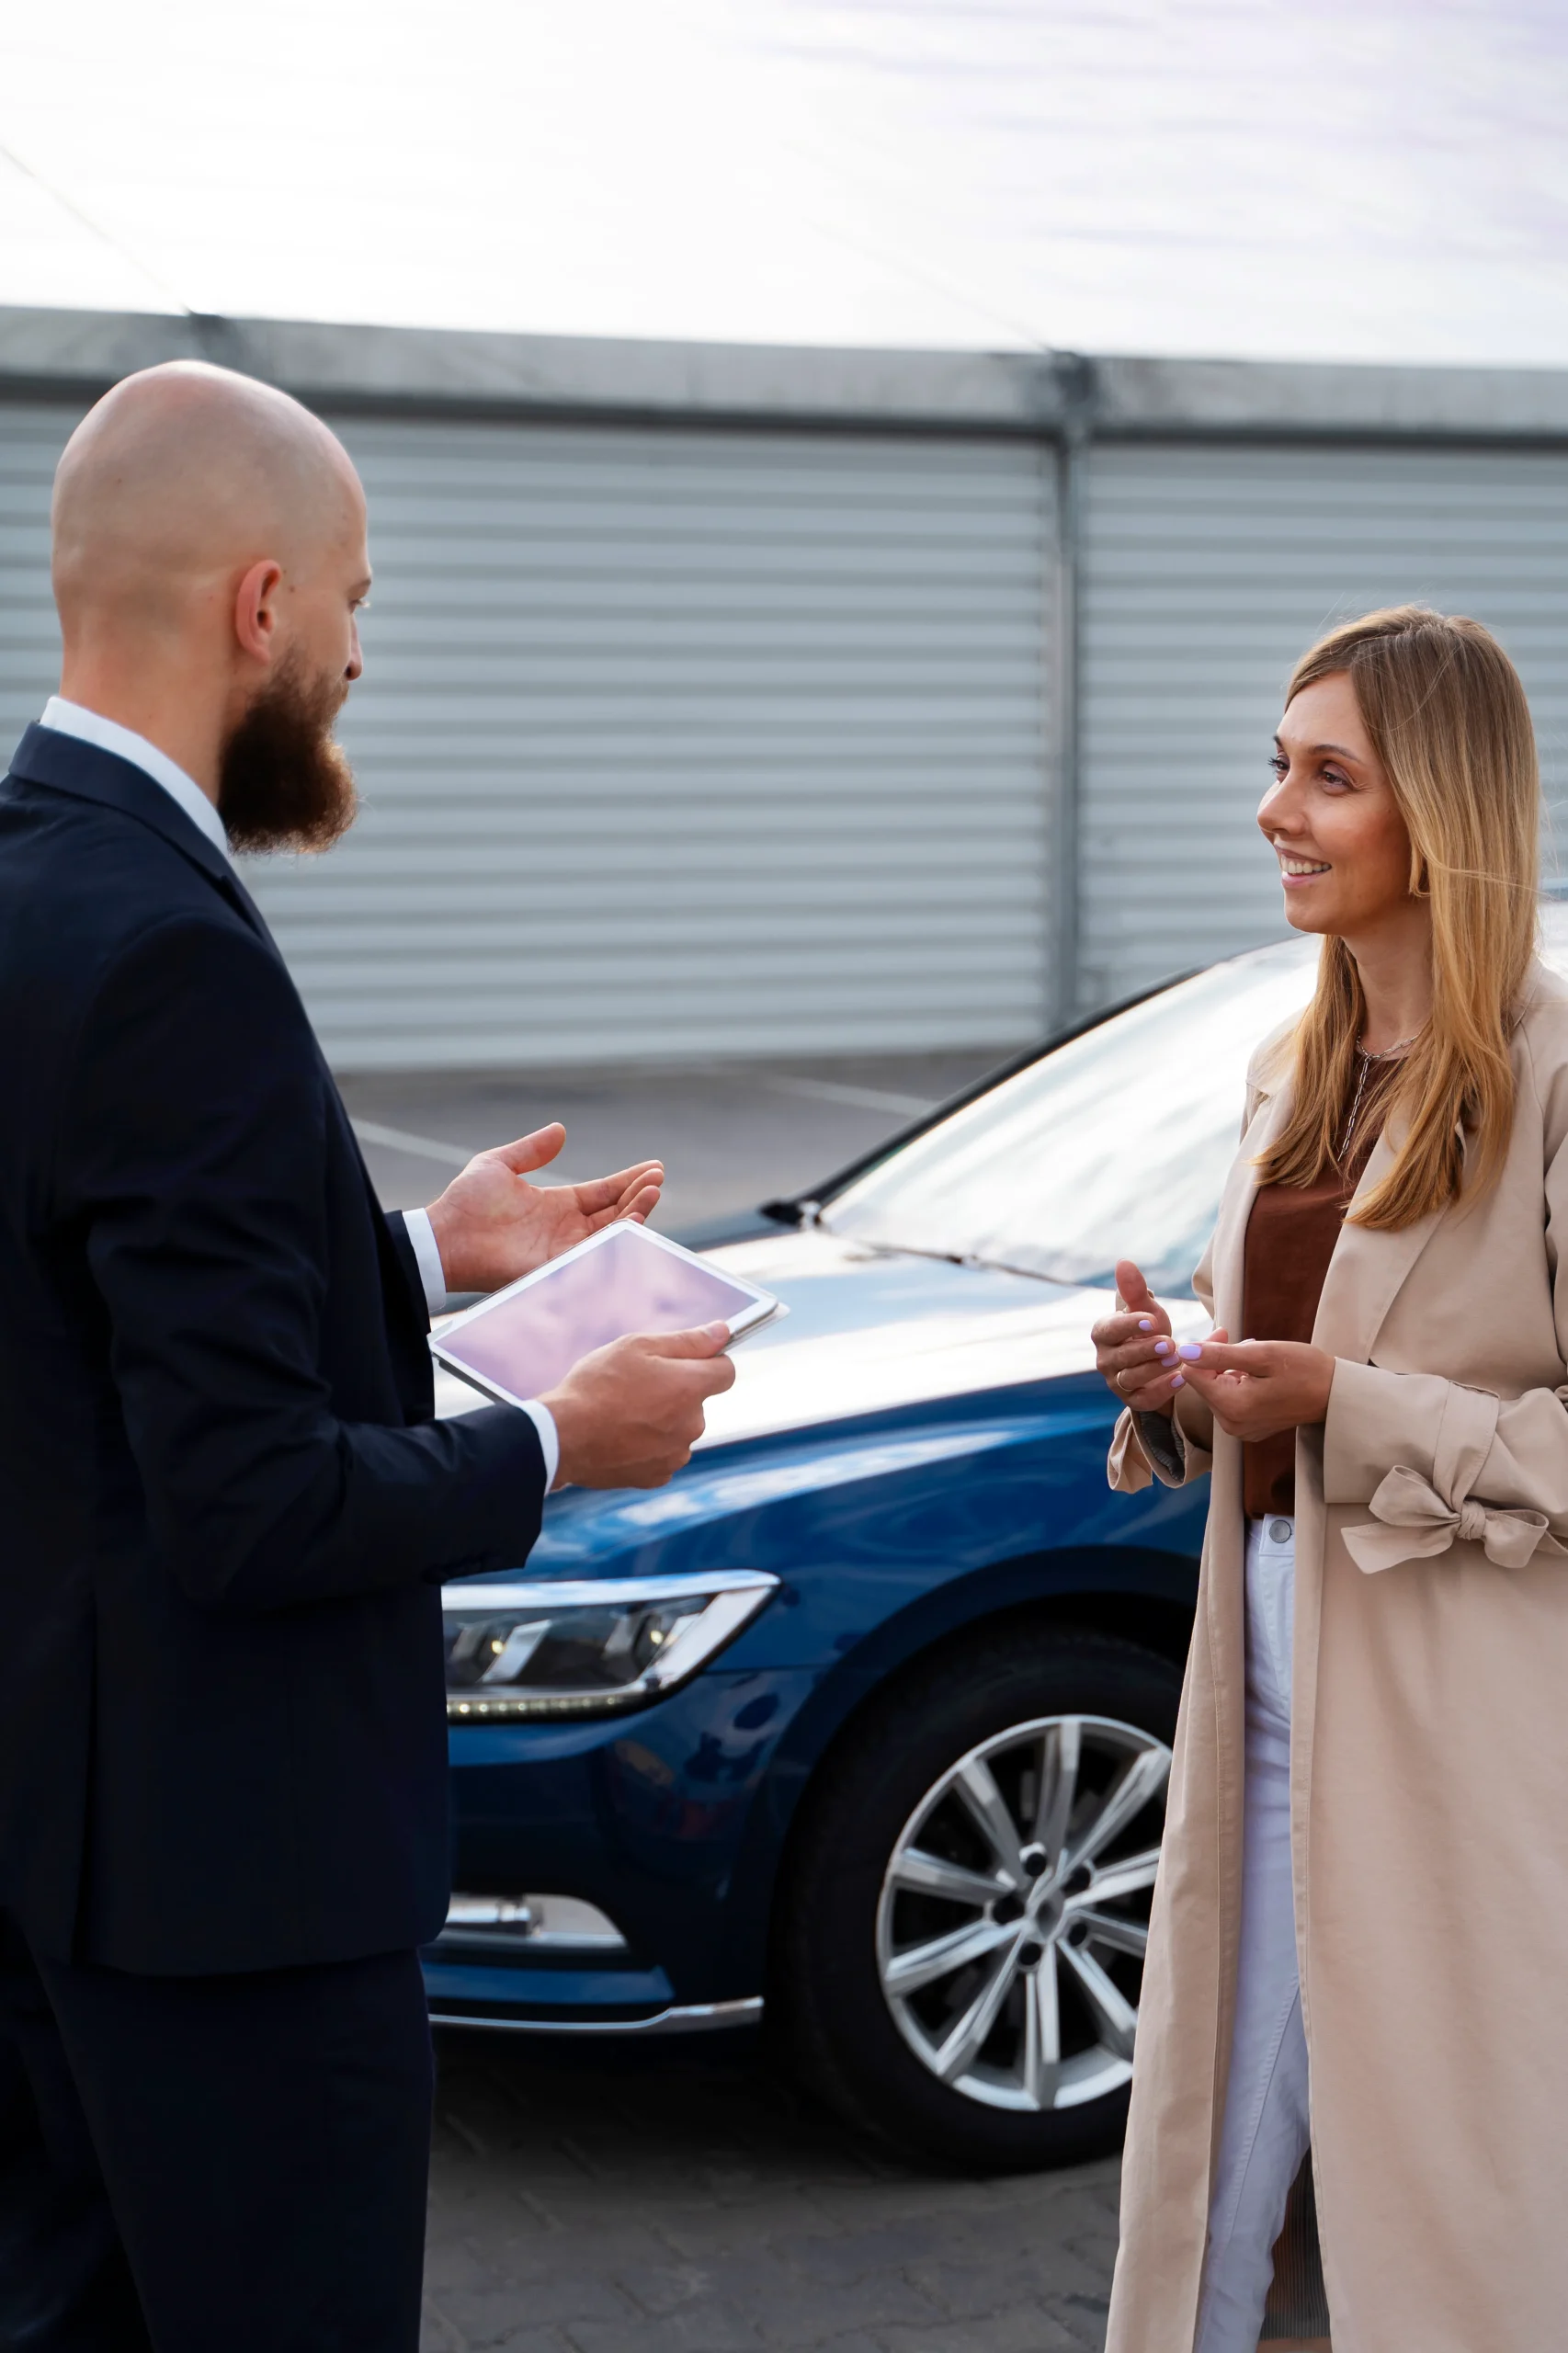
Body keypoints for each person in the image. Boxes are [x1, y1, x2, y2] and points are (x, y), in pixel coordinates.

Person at [0, 360, 738, 2352]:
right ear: (259, 607)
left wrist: (412, 1252)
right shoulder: (174, 949)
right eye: (349, 605)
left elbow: (90, 1322)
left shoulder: (35, 878)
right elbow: (245, 1503)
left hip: (59, 1869)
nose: (348, 655)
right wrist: (561, 1441)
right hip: (232, 1906)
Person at [1090, 606, 1568, 2352]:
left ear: (1435, 810)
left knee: (1452, 2184)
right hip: (1264, 1668)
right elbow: (1280, 1373)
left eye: (1327, 776)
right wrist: (1184, 1393)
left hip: (1463, 1704)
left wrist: (1346, 1404)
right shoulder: (1287, 1071)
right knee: (1215, 2136)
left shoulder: (1553, 1075)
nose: (1276, 811)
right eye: (1275, 768)